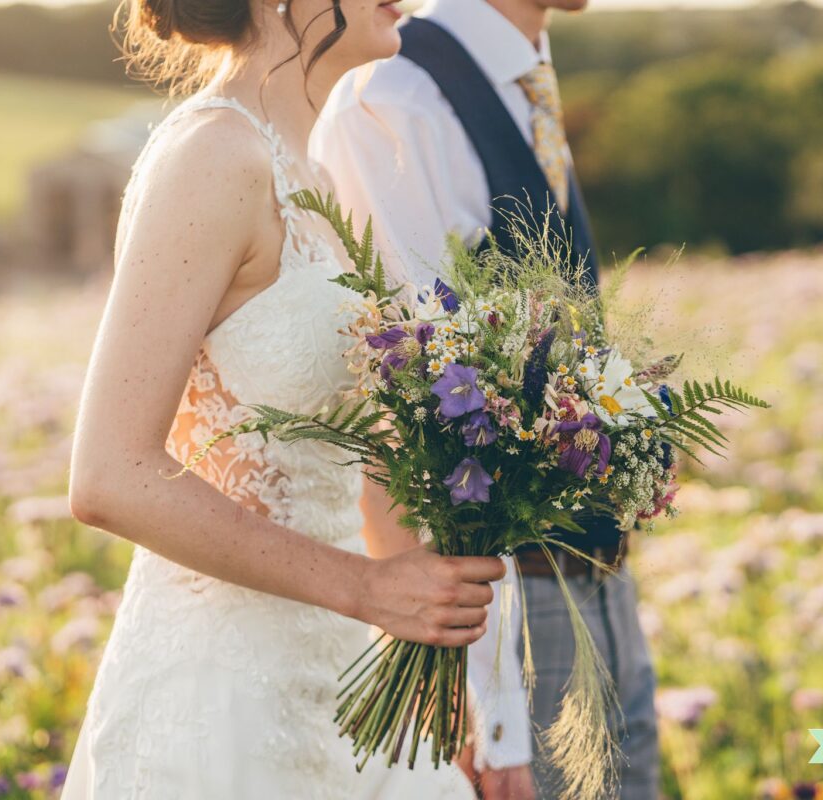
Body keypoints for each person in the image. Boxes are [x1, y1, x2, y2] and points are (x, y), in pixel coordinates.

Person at [60, 0, 506, 793]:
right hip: (224, 693)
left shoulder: (319, 173)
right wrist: (364, 589)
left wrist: (436, 673)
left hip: (348, 682)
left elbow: (356, 457)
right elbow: (108, 475)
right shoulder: (212, 154)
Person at [311, 0, 662, 796]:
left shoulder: (526, 69)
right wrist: (480, 702)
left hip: (601, 583)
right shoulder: (396, 98)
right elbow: (406, 412)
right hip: (499, 615)